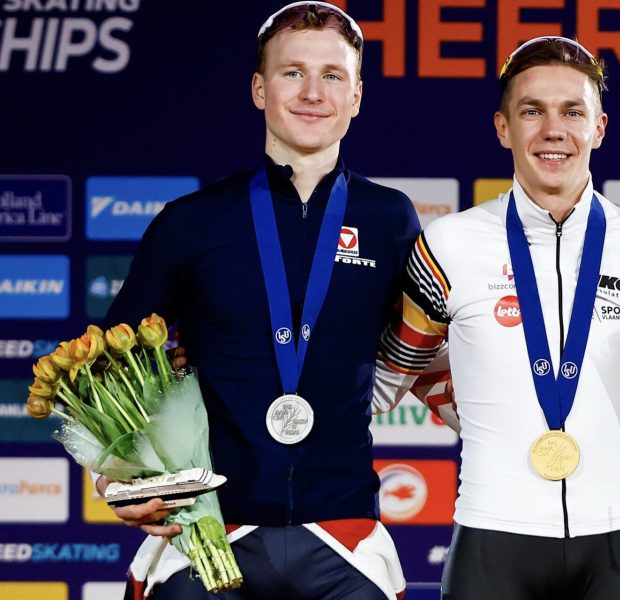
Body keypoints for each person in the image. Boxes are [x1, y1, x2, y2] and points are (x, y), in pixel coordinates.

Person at [100, 3, 426, 598]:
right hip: (209, 532)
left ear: (357, 96)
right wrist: (117, 477)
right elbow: (106, 366)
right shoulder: (192, 222)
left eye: (333, 76)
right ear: (259, 88)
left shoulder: (390, 219)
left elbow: (433, 354)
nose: (312, 92)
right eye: (291, 72)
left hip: (343, 534)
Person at [373, 36, 620, 600]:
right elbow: (387, 378)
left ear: (600, 127)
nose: (553, 129)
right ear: (502, 127)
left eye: (572, 111)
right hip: (492, 539)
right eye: (531, 111)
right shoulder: (448, 243)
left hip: (615, 542)